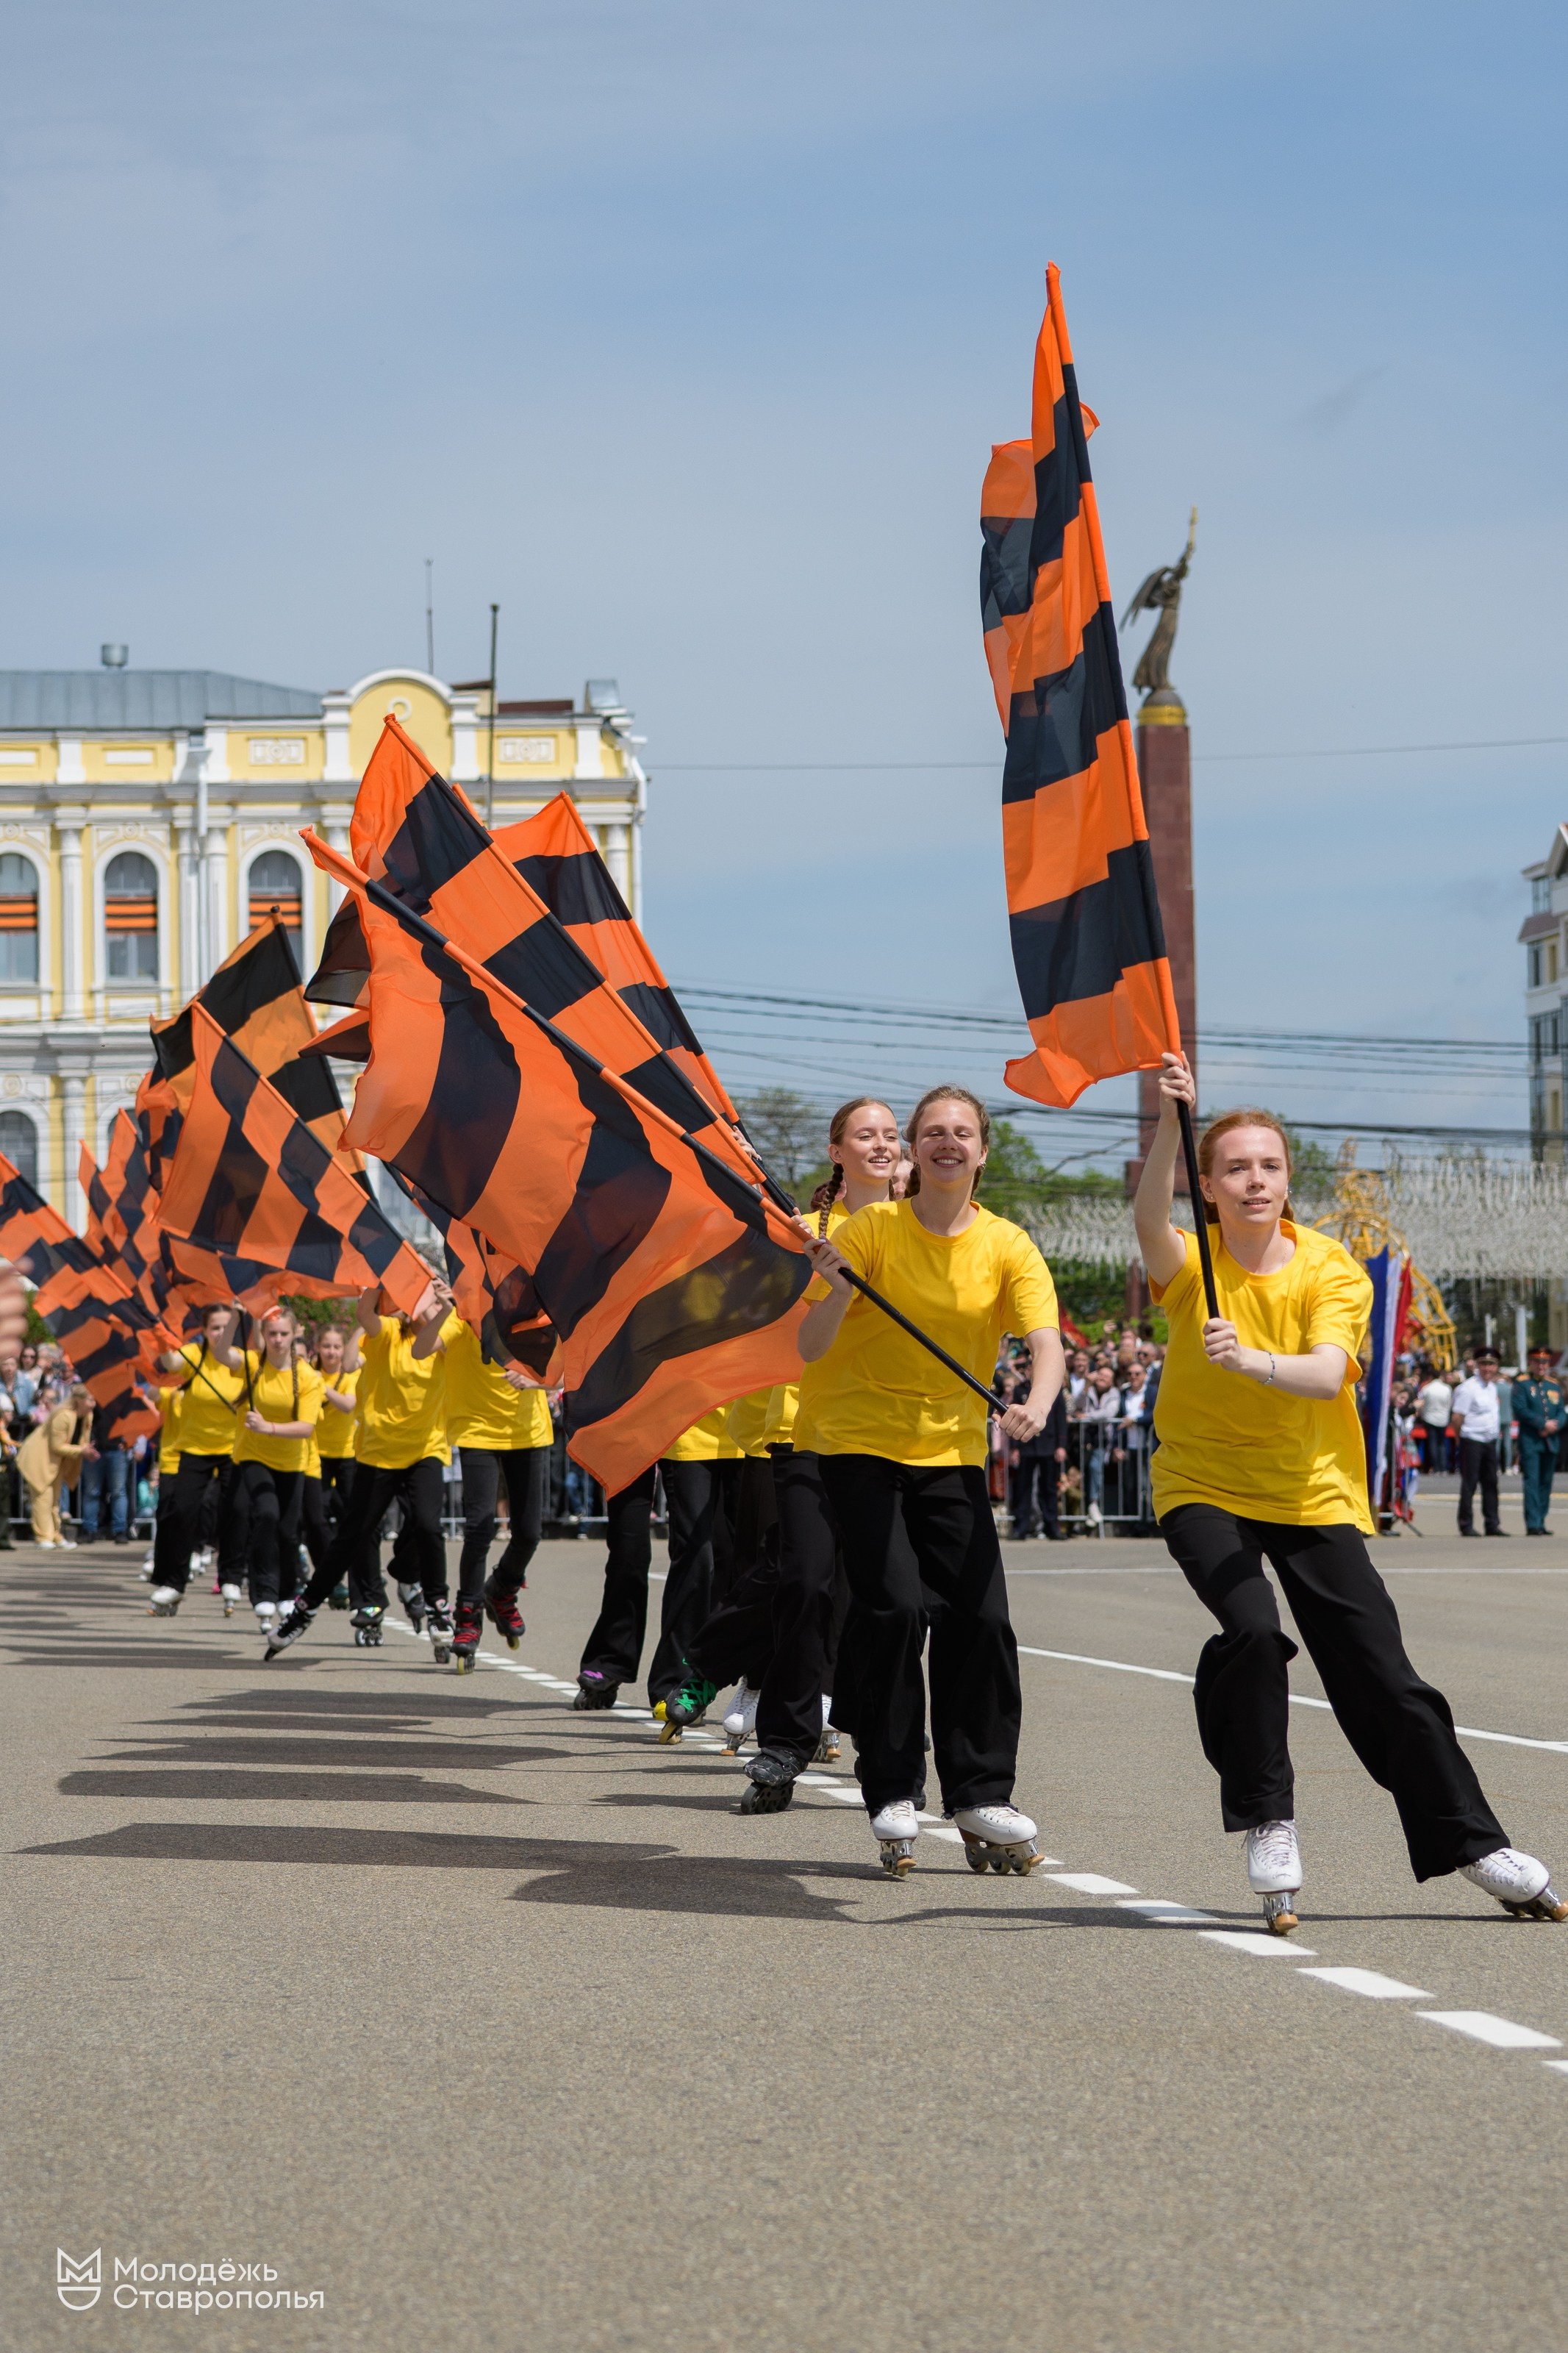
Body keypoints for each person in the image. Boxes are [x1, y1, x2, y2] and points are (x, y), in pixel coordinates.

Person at [1134, 1052, 1564, 1931]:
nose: (1255, 1179)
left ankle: (1475, 1842)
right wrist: (1166, 1128)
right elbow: (1147, 1215)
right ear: (1206, 1185)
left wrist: (1250, 1358)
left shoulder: (1330, 1267)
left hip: (1311, 1488)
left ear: (1288, 1178)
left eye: (1270, 1165)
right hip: (1202, 1481)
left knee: (1383, 1675)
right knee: (1252, 1629)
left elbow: (1330, 1371)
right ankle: (1268, 1814)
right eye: (1235, 1167)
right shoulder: (1191, 1262)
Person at [798, 1085, 1064, 1877]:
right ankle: (890, 1782)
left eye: (963, 1132)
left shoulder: (1008, 1244)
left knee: (981, 1615)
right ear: (914, 1150)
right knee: (896, 1605)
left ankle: (981, 1789)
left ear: (983, 1151)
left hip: (950, 1451)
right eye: (933, 1132)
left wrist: (1035, 1405)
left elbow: (1046, 1342)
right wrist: (839, 1285)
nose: (948, 1142)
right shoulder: (871, 1227)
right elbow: (810, 1345)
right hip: (857, 1443)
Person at [657, 1098, 905, 1807]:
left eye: (892, 1136)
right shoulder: (804, 1232)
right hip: (801, 1424)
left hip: (890, 1435)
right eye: (867, 1135)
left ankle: (726, 1666)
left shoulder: (914, 1228)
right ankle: (782, 1738)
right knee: (801, 1577)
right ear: (837, 1150)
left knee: (856, 1588)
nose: (882, 1146)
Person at [265, 1281, 457, 1656]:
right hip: (378, 1451)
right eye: (421, 1298)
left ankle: (436, 1605)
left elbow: (448, 1337)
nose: (427, 1305)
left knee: (429, 1526)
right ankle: (302, 1612)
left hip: (426, 1448)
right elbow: (364, 1315)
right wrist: (384, 1279)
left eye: (431, 1299)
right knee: (351, 1538)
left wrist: (446, 1301)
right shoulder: (387, 1331)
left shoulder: (446, 1332)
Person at [410, 1298, 553, 1670]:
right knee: (479, 1527)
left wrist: (538, 1379)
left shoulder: (534, 1313)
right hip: (476, 1430)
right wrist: (442, 1309)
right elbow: (420, 1350)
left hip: (528, 1432)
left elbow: (564, 1369)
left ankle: (502, 1590)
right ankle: (468, 1617)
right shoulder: (463, 1316)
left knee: (529, 1533)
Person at [212, 1305, 325, 1636]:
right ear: (263, 1335)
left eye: (283, 1334)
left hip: (292, 1460)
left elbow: (305, 1428)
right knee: (266, 1515)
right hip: (254, 1457)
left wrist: (267, 1427)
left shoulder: (307, 1377)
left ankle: (288, 1592)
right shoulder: (252, 1364)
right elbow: (220, 1353)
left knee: (289, 1531)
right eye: (272, 1333)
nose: (277, 1340)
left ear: (294, 1336)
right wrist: (236, 1316)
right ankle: (263, 1594)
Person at [146, 1304, 247, 1614]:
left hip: (234, 1448)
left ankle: (231, 1576)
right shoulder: (194, 1353)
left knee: (236, 1510)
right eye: (214, 1328)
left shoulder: (242, 1358)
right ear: (203, 1331)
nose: (219, 1333)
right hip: (195, 1447)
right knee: (182, 1511)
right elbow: (170, 1362)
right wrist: (162, 1337)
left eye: (225, 1327)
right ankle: (174, 1583)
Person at [302, 1324, 359, 1608]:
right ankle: (331, 1578)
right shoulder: (308, 1373)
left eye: (337, 1347)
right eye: (327, 1346)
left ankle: (360, 1575)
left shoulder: (350, 1373)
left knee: (352, 1517)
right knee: (316, 1519)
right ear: (318, 1349)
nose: (332, 1352)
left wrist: (319, 1386)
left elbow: (349, 1405)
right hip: (317, 1455)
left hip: (348, 1454)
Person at [17, 1382, 96, 1548]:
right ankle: (43, 1537)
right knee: (43, 1498)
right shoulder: (64, 1416)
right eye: (90, 1400)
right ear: (79, 1400)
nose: (93, 1404)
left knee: (54, 1500)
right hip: (38, 1459)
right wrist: (82, 1450)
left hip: (55, 1463)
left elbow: (82, 1442)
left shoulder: (87, 1416)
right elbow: (57, 1446)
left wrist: (86, 1450)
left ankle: (55, 1535)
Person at [1449, 1348, 1506, 1539]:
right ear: (1476, 1366)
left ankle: (1492, 1523)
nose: (1487, 1368)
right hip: (1472, 1439)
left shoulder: (1492, 1387)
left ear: (1497, 1367)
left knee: (1491, 1483)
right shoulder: (1468, 1388)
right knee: (1470, 1483)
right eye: (1483, 1364)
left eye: (1491, 1364)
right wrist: (1460, 1439)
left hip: (1489, 1441)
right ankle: (1466, 1524)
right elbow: (1457, 1418)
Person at [1513, 1345, 1565, 1537]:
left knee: (1546, 1482)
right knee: (1532, 1481)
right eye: (1537, 1361)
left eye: (1544, 1362)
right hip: (1532, 1440)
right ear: (1530, 1363)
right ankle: (1533, 1523)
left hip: (1551, 1441)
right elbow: (1521, 1410)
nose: (1541, 1365)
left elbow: (1561, 1410)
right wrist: (1542, 1424)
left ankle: (1541, 1520)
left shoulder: (1553, 1386)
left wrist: (1556, 1424)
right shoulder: (1522, 1384)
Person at [1416, 1365, 1452, 1474]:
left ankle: (1435, 1466)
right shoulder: (1447, 1388)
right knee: (1441, 1443)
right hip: (1443, 1418)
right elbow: (1449, 1404)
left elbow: (1421, 1403)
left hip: (1429, 1417)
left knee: (1433, 1443)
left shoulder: (1427, 1388)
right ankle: (1443, 1467)